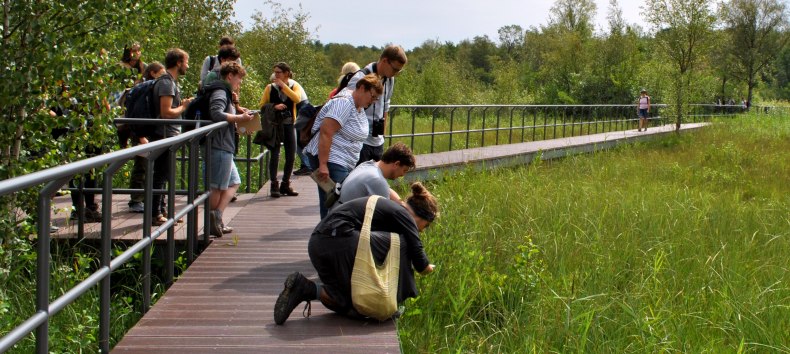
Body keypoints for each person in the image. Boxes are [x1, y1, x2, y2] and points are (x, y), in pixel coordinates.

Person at [273, 182, 439, 325]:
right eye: (426, 225)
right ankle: (394, 301)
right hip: (338, 240)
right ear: (421, 216)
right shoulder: (403, 214)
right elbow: (418, 254)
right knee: (404, 243)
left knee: (345, 302)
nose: (423, 230)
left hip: (319, 244)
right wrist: (427, 268)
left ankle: (303, 287)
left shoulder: (392, 210)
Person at [304, 74, 384, 218]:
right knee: (339, 203)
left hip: (342, 161)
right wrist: (323, 165)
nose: (372, 101)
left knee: (334, 202)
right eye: (372, 96)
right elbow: (326, 131)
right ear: (361, 88)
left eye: (375, 99)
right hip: (332, 160)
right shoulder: (345, 103)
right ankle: (328, 236)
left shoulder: (357, 105)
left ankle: (330, 235)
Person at [206, 62, 254, 236]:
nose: (239, 83)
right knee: (216, 187)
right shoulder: (220, 92)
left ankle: (216, 216)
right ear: (230, 76)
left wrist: (239, 111)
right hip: (219, 144)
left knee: (234, 182)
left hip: (224, 144)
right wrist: (239, 117)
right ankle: (211, 221)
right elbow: (216, 113)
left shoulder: (226, 92)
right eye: (239, 79)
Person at [340, 45, 407, 165]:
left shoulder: (390, 80)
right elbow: (346, 107)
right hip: (360, 142)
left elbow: (385, 106)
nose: (396, 74)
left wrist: (383, 135)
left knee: (374, 180)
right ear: (385, 61)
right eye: (395, 69)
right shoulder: (361, 77)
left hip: (377, 142)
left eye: (399, 71)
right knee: (357, 180)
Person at [151, 48, 193, 226]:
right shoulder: (167, 83)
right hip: (164, 134)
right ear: (178, 62)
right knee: (160, 175)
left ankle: (162, 211)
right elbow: (166, 112)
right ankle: (156, 214)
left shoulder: (169, 82)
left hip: (168, 134)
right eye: (186, 62)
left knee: (165, 175)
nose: (187, 65)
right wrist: (184, 107)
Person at [257, 62, 307, 198]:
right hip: (275, 125)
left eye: (279, 72)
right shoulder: (269, 88)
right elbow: (262, 106)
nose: (276, 74)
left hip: (290, 123)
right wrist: (274, 106)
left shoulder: (294, 86)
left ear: (286, 73)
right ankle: (274, 184)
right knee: (275, 154)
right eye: (275, 72)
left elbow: (297, 98)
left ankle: (286, 183)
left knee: (291, 155)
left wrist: (284, 86)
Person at [126, 61, 165, 213]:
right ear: (153, 73)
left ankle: (147, 200)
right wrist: (141, 135)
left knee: (151, 168)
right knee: (141, 166)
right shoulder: (144, 88)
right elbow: (138, 111)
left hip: (149, 131)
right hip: (142, 132)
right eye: (161, 73)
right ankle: (136, 200)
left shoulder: (151, 87)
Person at [336, 142, 415, 205]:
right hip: (343, 223)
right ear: (396, 164)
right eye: (404, 170)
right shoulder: (377, 180)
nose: (403, 175)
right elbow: (386, 215)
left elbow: (387, 190)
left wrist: (403, 205)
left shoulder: (368, 165)